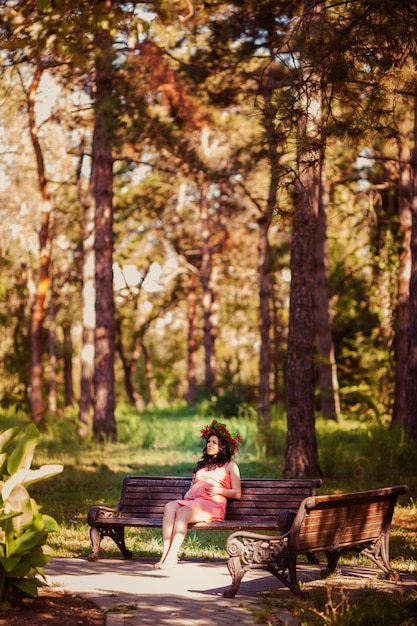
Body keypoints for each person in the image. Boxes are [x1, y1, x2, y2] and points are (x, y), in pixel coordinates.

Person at [154, 419, 242, 569]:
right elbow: (193, 485)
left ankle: (171, 557)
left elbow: (237, 493)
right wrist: (189, 492)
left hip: (213, 505)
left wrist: (219, 490)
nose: (209, 444)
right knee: (170, 506)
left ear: (222, 446)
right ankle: (166, 554)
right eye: (208, 442)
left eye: (214, 442)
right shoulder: (202, 466)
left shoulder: (230, 466)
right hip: (196, 501)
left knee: (182, 512)